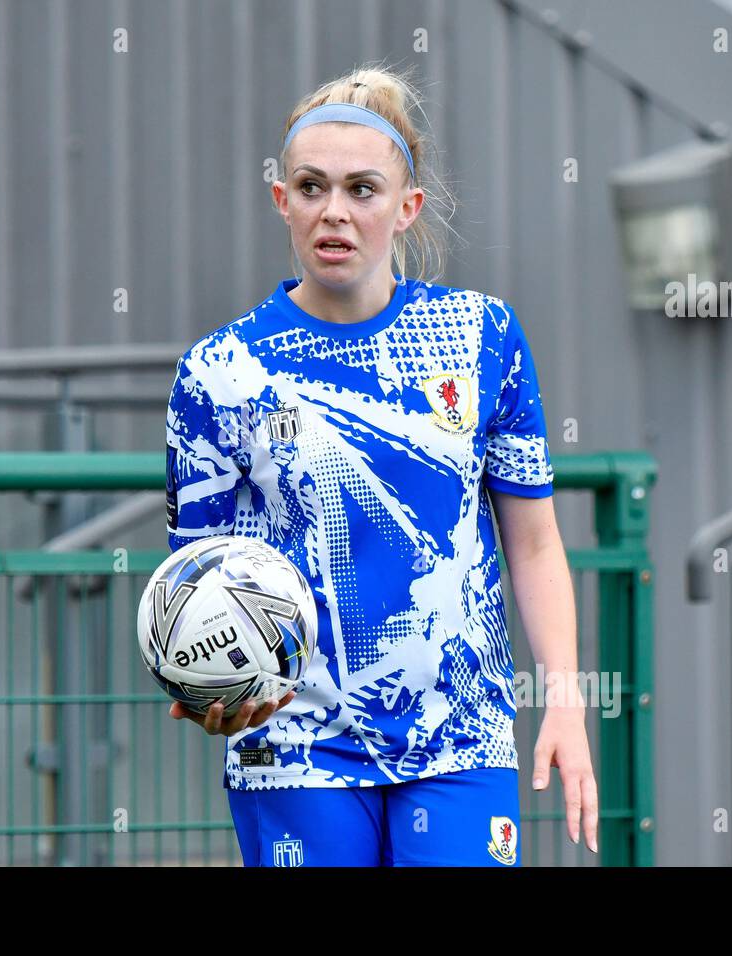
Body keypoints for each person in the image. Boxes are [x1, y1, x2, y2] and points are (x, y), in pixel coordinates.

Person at [163, 63, 596, 867]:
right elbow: (197, 579)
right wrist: (207, 689)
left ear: (407, 208)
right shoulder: (218, 372)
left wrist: (565, 702)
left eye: (363, 189)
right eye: (312, 186)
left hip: (462, 737)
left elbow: (533, 543)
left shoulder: (481, 338)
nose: (336, 211)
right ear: (281, 200)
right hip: (293, 745)